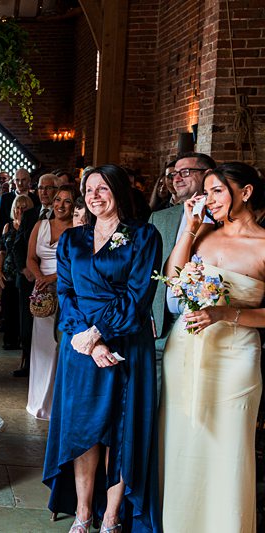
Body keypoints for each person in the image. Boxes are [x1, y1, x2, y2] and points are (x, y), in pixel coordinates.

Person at [43, 165, 163, 533]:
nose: (95, 195)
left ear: (119, 191)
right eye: (89, 189)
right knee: (83, 430)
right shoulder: (71, 240)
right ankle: (83, 511)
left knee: (120, 429)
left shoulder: (144, 236)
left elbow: (138, 296)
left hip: (125, 343)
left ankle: (111, 515)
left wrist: (100, 335)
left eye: (103, 188)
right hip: (80, 349)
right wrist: (86, 339)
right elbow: (65, 292)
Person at [159, 162, 265, 532]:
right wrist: (189, 229)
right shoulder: (202, 233)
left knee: (228, 447)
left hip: (236, 357)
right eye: (207, 192)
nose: (209, 199)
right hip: (185, 350)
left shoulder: (264, 245)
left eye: (217, 190)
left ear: (246, 193)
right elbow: (173, 282)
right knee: (183, 440)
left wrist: (226, 313)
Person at [149, 152, 216, 398]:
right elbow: (147, 272)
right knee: (155, 401)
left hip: (208, 329)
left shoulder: (223, 219)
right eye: (173, 173)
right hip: (161, 328)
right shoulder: (160, 218)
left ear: (208, 175)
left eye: (186, 172)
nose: (176, 178)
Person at [25, 184, 77, 420]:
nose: (60, 205)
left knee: (61, 345)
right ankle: (38, 401)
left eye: (67, 201)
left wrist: (52, 278)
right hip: (42, 291)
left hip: (68, 287)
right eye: (57, 200)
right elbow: (30, 258)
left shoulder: (79, 229)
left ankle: (58, 403)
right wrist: (39, 279)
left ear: (74, 204)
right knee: (43, 345)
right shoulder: (40, 225)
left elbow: (78, 262)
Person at [12, 173, 57, 377]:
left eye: (49, 188)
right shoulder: (30, 215)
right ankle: (27, 363)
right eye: (40, 188)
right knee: (26, 324)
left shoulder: (62, 214)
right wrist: (25, 270)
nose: (44, 192)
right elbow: (18, 245)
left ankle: (49, 368)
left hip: (54, 278)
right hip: (29, 278)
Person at [0, 194, 34, 349]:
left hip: (23, 272)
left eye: (24, 207)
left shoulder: (31, 226)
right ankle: (9, 339)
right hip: (8, 272)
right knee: (8, 307)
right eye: (18, 207)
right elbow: (2, 250)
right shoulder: (8, 226)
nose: (20, 210)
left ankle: (22, 340)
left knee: (21, 308)